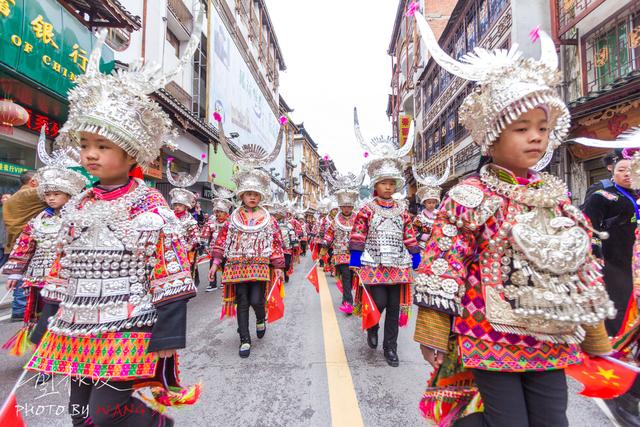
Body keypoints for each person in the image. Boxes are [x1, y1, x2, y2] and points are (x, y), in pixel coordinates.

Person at [410, 12, 615, 426]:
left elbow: (580, 267)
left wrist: (594, 331)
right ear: (492, 135)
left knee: (552, 420)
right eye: (522, 127)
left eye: (542, 127)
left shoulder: (556, 199)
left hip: (549, 333)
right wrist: (433, 326)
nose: (536, 136)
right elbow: (443, 263)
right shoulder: (469, 197)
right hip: (489, 333)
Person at [25, 19, 204, 425]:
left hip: (128, 327)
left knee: (111, 417)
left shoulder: (150, 208)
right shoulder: (78, 206)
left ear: (130, 154)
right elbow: (59, 268)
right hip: (74, 327)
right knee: (78, 415)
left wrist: (168, 334)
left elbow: (170, 274)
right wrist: (45, 320)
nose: (90, 154)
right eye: (85, 145)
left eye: (102, 146)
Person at [2, 128, 87, 356]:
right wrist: (15, 272)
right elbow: (25, 243)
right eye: (48, 194)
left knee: (63, 315)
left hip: (68, 278)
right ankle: (43, 352)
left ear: (68, 195)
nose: (51, 197)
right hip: (39, 276)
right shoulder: (39, 218)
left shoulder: (79, 218)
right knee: (38, 315)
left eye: (56, 193)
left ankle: (63, 350)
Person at [349, 107, 421, 367]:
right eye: (384, 183)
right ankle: (372, 328)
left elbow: (409, 234)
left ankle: (391, 348)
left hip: (398, 265)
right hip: (372, 262)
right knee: (377, 303)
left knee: (394, 309)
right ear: (375, 184)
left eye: (392, 183)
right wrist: (356, 256)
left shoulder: (402, 209)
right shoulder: (367, 208)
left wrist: (415, 256)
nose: (388, 187)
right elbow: (358, 232)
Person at [210, 113, 286, 358]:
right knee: (241, 302)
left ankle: (261, 318)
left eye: (256, 194)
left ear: (260, 196)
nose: (252, 197)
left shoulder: (268, 219)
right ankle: (244, 338)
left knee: (256, 300)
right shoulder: (232, 218)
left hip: (259, 266)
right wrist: (215, 262)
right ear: (241, 196)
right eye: (248, 194)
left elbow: (276, 242)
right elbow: (221, 241)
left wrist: (278, 267)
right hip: (236, 266)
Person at [3, 170, 47, 320]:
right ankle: (21, 309)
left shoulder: (11, 199)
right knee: (26, 276)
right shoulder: (32, 194)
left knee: (19, 275)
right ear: (33, 181)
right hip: (27, 242)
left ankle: (18, 308)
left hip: (13, 243)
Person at [166, 157, 204, 286]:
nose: (177, 207)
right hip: (168, 250)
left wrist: (190, 246)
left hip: (184, 252)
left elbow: (196, 238)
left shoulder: (190, 221)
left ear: (186, 206)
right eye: (175, 204)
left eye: (180, 205)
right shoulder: (168, 217)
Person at [412, 162, 450, 251]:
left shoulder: (440, 215)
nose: (431, 204)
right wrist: (423, 236)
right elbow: (414, 232)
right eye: (429, 202)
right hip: (423, 246)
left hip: (438, 246)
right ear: (424, 203)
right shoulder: (420, 218)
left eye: (433, 202)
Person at [201, 190, 233, 292]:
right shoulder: (211, 222)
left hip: (227, 249)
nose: (218, 214)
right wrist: (204, 245)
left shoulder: (230, 223)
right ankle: (212, 283)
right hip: (214, 249)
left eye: (221, 212)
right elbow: (205, 236)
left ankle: (224, 281)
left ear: (226, 213)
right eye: (217, 211)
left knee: (225, 265)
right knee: (212, 264)